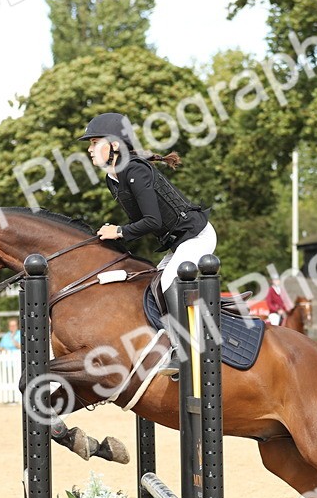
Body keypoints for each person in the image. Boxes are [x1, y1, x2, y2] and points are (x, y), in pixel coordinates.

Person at [79, 112, 215, 375]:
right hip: (178, 243)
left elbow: (151, 221)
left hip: (198, 236)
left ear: (115, 145)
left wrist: (118, 231)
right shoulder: (114, 178)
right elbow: (140, 222)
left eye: (95, 142)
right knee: (152, 285)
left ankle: (184, 349)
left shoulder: (136, 171)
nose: (89, 149)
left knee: (166, 282)